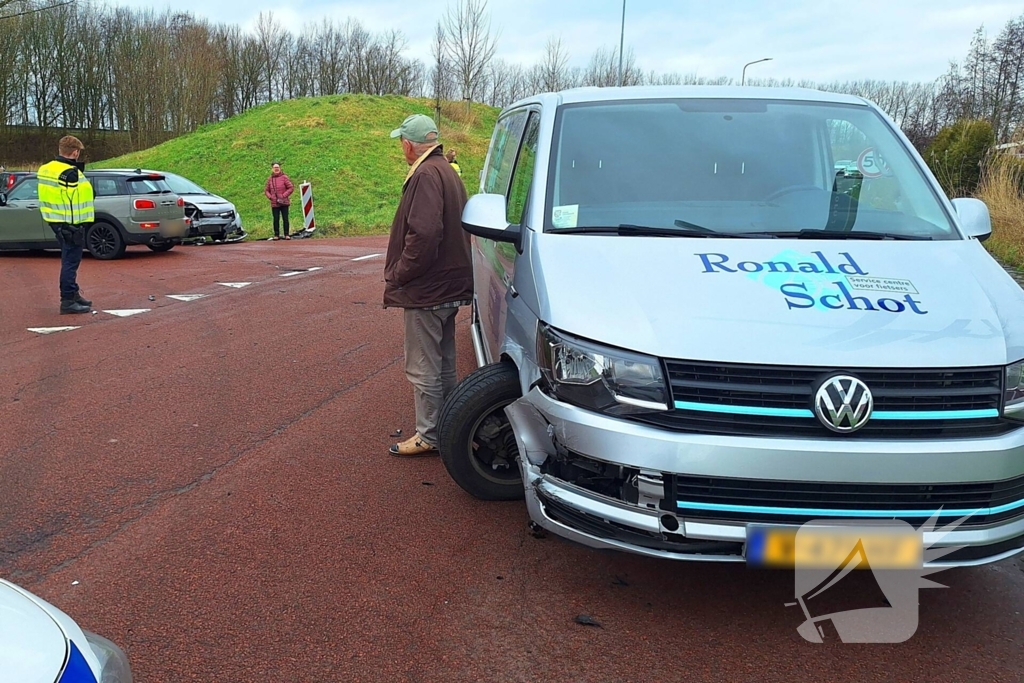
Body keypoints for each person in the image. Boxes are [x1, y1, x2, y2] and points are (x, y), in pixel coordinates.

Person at [384, 114, 472, 456]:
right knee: (444, 362)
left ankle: (430, 435)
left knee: (423, 366)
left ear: (408, 144)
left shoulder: (423, 174)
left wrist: (401, 273)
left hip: (427, 288)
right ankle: (450, 427)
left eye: (401, 143)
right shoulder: (447, 171)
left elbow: (424, 233)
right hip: (449, 284)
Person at [37, 136, 94, 314]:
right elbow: (73, 199)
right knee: (70, 261)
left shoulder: (46, 169)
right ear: (75, 152)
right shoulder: (69, 173)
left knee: (68, 259)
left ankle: (74, 294)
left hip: (55, 220)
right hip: (71, 223)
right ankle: (68, 300)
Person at [264, 162, 294, 240]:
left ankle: (286, 234)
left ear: (280, 168)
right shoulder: (270, 179)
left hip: (284, 202)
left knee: (285, 218)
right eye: (275, 167)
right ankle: (276, 235)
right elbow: (266, 190)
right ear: (272, 169)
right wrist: (271, 197)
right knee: (276, 219)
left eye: (277, 167)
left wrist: (283, 196)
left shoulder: (284, 177)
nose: (276, 169)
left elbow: (291, 188)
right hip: (274, 203)